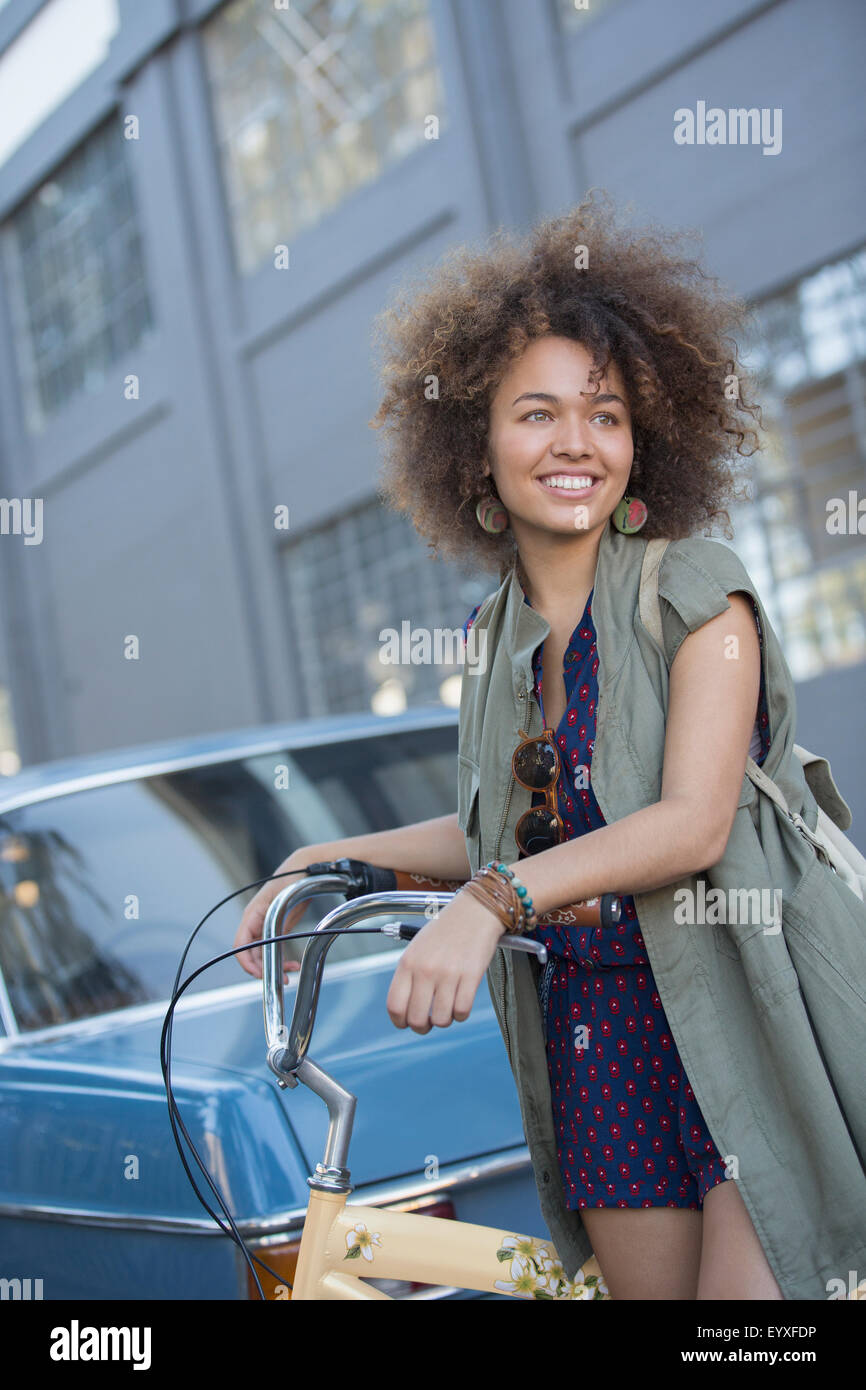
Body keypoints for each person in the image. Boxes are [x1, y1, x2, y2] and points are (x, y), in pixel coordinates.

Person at [235, 190, 787, 1299]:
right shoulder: (495, 641)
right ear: (474, 446)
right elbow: (502, 826)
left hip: (734, 1013)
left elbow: (687, 822)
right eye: (536, 414)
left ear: (644, 438)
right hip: (596, 1040)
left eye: (605, 413)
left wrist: (487, 902)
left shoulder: (693, 590)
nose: (575, 442)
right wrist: (327, 857)